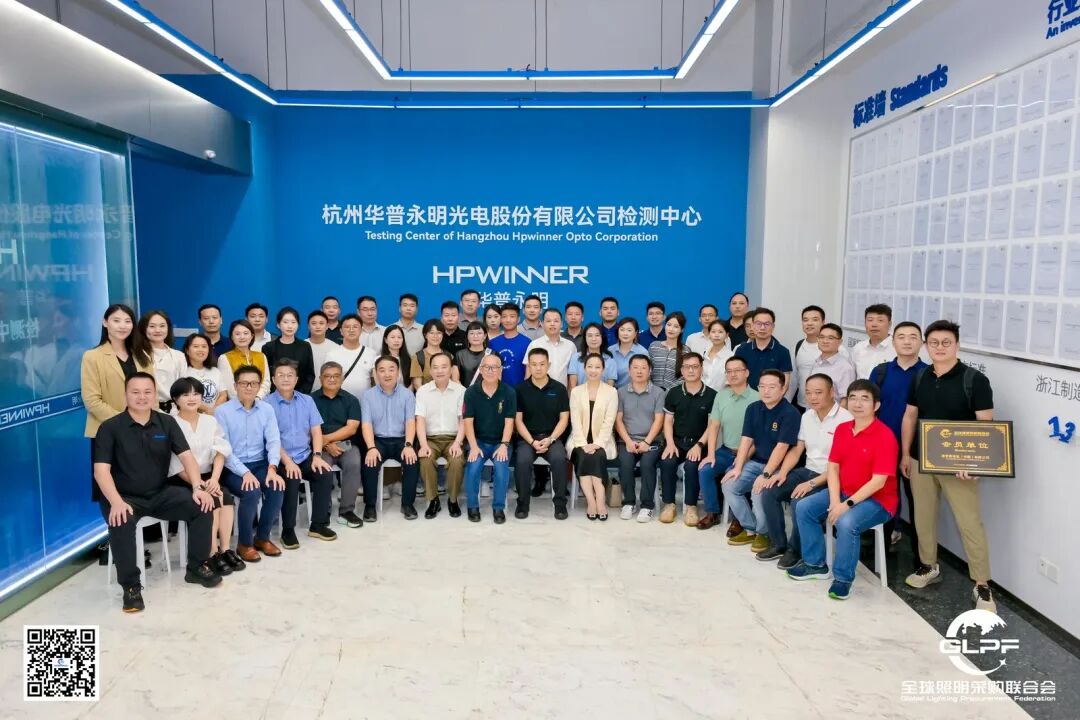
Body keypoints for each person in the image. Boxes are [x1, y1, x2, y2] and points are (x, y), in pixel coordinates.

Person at [94, 373, 220, 612]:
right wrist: (116, 502)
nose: (142, 397)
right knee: (121, 521)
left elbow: (187, 457)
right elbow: (101, 472)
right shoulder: (110, 427)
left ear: (154, 395)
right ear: (125, 395)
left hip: (160, 493)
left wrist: (197, 486)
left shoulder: (166, 423)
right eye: (135, 392)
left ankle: (196, 567)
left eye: (147, 392)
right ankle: (131, 587)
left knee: (204, 504)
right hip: (123, 497)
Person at [900, 320, 996, 611]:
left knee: (969, 523)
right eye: (934, 343)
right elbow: (910, 416)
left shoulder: (974, 380)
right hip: (920, 459)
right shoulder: (920, 377)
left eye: (946, 342)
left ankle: (982, 585)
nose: (939, 347)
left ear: (957, 345)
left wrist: (975, 464)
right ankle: (929, 566)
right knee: (923, 517)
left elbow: (986, 426)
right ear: (926, 346)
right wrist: (905, 454)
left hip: (958, 466)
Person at [789, 380, 898, 601]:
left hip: (877, 501)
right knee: (804, 507)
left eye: (864, 399)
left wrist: (844, 506)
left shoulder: (885, 436)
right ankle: (815, 564)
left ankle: (843, 578)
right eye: (853, 398)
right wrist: (834, 500)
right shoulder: (842, 429)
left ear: (876, 405)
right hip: (844, 492)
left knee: (847, 522)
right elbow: (833, 467)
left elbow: (878, 482)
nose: (858, 403)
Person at [756, 374, 853, 566]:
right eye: (808, 393)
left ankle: (796, 550)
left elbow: (843, 465)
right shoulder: (807, 416)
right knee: (769, 490)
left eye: (818, 392)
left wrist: (811, 484)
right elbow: (797, 449)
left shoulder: (846, 419)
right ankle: (778, 544)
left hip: (831, 477)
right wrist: (782, 473)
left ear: (831, 392)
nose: (812, 397)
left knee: (798, 501)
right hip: (807, 469)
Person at [168, 377, 245, 576]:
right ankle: (211, 553)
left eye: (196, 394)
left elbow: (220, 451)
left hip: (210, 476)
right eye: (185, 394)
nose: (192, 398)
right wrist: (198, 484)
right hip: (182, 477)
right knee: (211, 500)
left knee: (225, 497)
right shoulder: (170, 423)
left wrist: (214, 479)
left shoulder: (210, 421)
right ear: (175, 399)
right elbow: (174, 462)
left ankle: (225, 550)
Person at [721, 369, 801, 552]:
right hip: (755, 462)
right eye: (762, 386)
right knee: (729, 484)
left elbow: (782, 447)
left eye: (772, 387)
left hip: (778, 467)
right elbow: (746, 440)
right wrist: (738, 467)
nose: (766, 391)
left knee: (759, 492)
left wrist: (765, 475)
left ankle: (764, 533)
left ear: (783, 389)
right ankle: (751, 528)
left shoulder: (790, 413)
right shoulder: (753, 408)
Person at [82, 304, 154, 499]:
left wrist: (150, 424)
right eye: (116, 320)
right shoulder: (93, 357)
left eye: (127, 321)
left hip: (143, 431)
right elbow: (92, 400)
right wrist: (125, 424)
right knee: (111, 491)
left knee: (141, 486)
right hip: (108, 431)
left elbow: (151, 395)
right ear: (105, 323)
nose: (122, 326)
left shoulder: (143, 355)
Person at [215, 364, 285, 561]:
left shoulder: (267, 410)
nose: (249, 387)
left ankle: (262, 538)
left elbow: (274, 441)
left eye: (254, 383)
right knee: (251, 491)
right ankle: (244, 544)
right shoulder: (222, 412)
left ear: (259, 386)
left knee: (276, 486)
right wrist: (244, 473)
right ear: (235, 386)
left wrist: (272, 467)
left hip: (260, 463)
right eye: (244, 383)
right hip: (232, 467)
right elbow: (224, 449)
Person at [267, 359, 337, 549]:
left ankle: (318, 525)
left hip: (304, 455)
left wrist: (317, 456)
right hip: (280, 458)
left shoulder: (307, 400)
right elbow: (271, 439)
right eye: (281, 375)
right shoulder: (266, 404)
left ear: (296, 379)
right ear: (273, 379)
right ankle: (288, 530)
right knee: (292, 476)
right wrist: (288, 462)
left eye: (290, 375)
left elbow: (316, 431)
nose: (285, 379)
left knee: (324, 473)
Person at [871, 321, 928, 556]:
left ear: (921, 343)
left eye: (913, 337)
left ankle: (921, 556)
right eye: (901, 337)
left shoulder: (928, 373)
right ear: (893, 342)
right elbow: (869, 408)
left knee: (917, 501)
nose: (907, 341)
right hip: (882, 446)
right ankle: (881, 549)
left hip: (915, 449)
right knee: (882, 495)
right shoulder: (881, 372)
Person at [696, 356, 759, 531]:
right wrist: (710, 454)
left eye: (737, 370)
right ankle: (712, 512)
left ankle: (739, 519)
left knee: (736, 476)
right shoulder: (721, 396)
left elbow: (760, 436)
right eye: (729, 371)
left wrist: (744, 458)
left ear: (747, 373)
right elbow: (714, 426)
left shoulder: (758, 398)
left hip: (750, 453)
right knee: (705, 469)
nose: (733, 374)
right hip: (726, 450)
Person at [658, 352, 716, 525]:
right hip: (676, 441)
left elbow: (712, 426)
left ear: (701, 369)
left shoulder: (712, 395)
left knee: (692, 466)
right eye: (687, 367)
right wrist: (669, 443)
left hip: (699, 443)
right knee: (667, 462)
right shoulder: (674, 393)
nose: (691, 370)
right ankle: (669, 505)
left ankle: (691, 506)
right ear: (682, 370)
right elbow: (668, 421)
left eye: (695, 366)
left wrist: (699, 445)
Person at [514, 348, 571, 520]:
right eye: (534, 364)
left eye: (542, 364)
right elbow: (518, 421)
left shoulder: (559, 389)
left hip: (552, 437)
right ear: (529, 366)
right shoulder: (520, 389)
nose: (538, 368)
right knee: (522, 461)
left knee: (559, 459)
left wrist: (551, 439)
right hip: (527, 438)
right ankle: (522, 504)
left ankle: (560, 505)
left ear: (548, 365)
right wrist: (532, 442)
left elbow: (564, 419)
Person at [361, 356, 420, 521]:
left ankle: (407, 504)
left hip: (402, 440)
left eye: (391, 369)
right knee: (370, 462)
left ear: (398, 372)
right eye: (382, 370)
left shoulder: (408, 395)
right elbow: (366, 424)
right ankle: (370, 506)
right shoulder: (368, 396)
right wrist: (371, 447)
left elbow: (410, 422)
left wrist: (409, 445)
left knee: (412, 461)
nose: (387, 374)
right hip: (378, 441)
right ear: (376, 373)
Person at [463, 354, 517, 523]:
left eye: (495, 367)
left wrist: (504, 445)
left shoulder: (509, 392)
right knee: (472, 468)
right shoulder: (471, 392)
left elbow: (509, 423)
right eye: (487, 367)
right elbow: (468, 422)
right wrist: (473, 446)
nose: (491, 370)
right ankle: (472, 506)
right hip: (478, 441)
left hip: (501, 442)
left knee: (501, 469)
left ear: (500, 370)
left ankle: (498, 508)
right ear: (481, 369)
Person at [312, 361, 365, 528]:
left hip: (346, 444)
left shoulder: (351, 400)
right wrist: (324, 445)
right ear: (320, 379)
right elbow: (306, 428)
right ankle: (323, 510)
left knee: (354, 462)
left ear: (342, 378)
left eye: (336, 376)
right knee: (322, 467)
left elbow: (352, 428)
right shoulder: (310, 400)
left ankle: (347, 511)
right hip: (319, 446)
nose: (332, 379)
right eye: (327, 376)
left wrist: (326, 440)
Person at [567, 353, 619, 520]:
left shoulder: (611, 392)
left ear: (603, 370)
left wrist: (597, 444)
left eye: (597, 367)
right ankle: (591, 501)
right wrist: (583, 444)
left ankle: (601, 500)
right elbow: (575, 421)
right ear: (584, 369)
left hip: (602, 440)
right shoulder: (576, 392)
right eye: (590, 366)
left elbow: (609, 422)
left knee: (596, 456)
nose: (593, 370)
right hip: (579, 439)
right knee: (583, 456)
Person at [416, 353, 466, 519]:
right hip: (431, 439)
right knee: (425, 459)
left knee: (457, 460)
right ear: (430, 370)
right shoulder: (423, 391)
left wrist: (458, 443)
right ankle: (433, 500)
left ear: (451, 369)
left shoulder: (461, 391)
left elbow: (463, 420)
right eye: (435, 367)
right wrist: (423, 445)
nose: (440, 371)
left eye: (444, 367)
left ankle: (453, 500)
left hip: (453, 438)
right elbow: (420, 420)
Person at [615, 354, 665, 522]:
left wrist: (646, 441)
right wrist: (628, 441)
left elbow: (659, 420)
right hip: (627, 440)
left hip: (652, 441)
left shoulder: (658, 393)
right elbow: (618, 420)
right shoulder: (621, 392)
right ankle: (629, 503)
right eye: (635, 367)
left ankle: (647, 506)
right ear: (629, 371)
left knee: (647, 464)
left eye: (643, 368)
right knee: (625, 463)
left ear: (650, 371)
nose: (639, 371)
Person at [733, 307, 792, 390]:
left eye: (767, 324)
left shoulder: (783, 352)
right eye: (758, 324)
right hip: (745, 397)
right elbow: (735, 377)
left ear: (773, 326)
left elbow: (784, 384)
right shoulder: (741, 350)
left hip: (772, 397)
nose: (762, 328)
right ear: (753, 326)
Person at [262, 307, 315, 394]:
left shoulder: (305, 346)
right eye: (285, 322)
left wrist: (299, 394)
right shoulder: (268, 347)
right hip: (275, 396)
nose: (290, 326)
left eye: (293, 322)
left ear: (298, 325)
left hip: (299, 395)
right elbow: (266, 376)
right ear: (278, 325)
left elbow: (310, 375)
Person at [139, 310, 185, 408]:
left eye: (162, 326)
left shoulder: (179, 356)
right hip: (146, 408)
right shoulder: (137, 355)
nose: (158, 330)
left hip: (174, 410)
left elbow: (183, 388)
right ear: (144, 329)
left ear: (168, 328)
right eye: (152, 326)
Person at [217, 320, 271, 399]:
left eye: (246, 333)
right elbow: (230, 389)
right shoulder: (224, 358)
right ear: (232, 337)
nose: (242, 337)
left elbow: (266, 383)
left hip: (260, 401)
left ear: (252, 336)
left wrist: (257, 398)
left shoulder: (261, 356)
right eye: (237, 334)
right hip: (236, 403)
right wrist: (244, 402)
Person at [326, 314, 375, 399]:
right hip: (339, 402)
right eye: (347, 327)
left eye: (355, 327)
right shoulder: (332, 354)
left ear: (361, 330)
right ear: (341, 331)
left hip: (365, 402)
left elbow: (375, 382)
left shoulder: (371, 353)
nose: (351, 330)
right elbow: (327, 382)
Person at [524, 308, 576, 385]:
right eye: (548, 321)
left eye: (556, 321)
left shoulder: (570, 346)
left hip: (562, 391)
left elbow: (572, 374)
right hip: (538, 390)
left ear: (561, 324)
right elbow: (528, 372)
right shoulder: (534, 345)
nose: (552, 324)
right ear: (542, 324)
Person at [809, 323, 857, 406]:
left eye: (830, 338)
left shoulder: (845, 368)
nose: (825, 341)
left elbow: (845, 400)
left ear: (840, 342)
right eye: (822, 337)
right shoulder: (817, 362)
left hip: (832, 413)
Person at [181, 334, 229, 414]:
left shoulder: (215, 371)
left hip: (215, 416)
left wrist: (214, 410)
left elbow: (223, 395)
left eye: (204, 346)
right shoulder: (183, 372)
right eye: (196, 346)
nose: (201, 350)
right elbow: (183, 396)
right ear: (187, 350)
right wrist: (207, 410)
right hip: (192, 416)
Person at [789, 305, 825, 410]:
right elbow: (793, 379)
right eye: (805, 320)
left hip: (825, 407)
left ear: (823, 322)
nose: (809, 323)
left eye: (815, 319)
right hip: (801, 404)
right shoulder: (798, 346)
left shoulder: (835, 348)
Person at [488, 303, 531, 387]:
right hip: (497, 390)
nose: (508, 320)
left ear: (518, 319)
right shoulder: (492, 343)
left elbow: (529, 370)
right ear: (501, 319)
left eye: (512, 316)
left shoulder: (527, 343)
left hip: (520, 390)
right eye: (504, 317)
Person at [850, 303, 895, 379]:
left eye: (880, 320)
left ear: (889, 324)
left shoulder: (897, 348)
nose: (874, 324)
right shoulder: (858, 348)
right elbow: (851, 378)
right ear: (865, 323)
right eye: (870, 320)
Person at [567, 323, 617, 388]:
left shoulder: (610, 360)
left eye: (597, 335)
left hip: (603, 394)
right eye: (590, 336)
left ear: (602, 337)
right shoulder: (576, 358)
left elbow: (610, 388)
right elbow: (572, 386)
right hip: (579, 394)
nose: (593, 339)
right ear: (585, 338)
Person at [648, 311, 688, 390]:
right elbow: (647, 369)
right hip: (652, 392)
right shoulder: (654, 346)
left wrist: (669, 391)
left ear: (682, 330)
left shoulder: (685, 351)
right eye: (669, 325)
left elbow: (684, 376)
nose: (671, 329)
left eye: (676, 326)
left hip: (673, 394)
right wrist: (653, 390)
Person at [608, 318, 649, 389]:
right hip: (612, 391)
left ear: (635, 333)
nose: (625, 333)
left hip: (634, 392)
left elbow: (646, 377)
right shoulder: (610, 351)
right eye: (622, 330)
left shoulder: (642, 352)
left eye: (629, 330)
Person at [307, 310, 339, 393]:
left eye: (321, 323)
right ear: (308, 326)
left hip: (329, 392)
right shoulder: (302, 346)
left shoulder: (335, 348)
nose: (318, 326)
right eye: (314, 323)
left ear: (327, 326)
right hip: (305, 393)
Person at [411, 319, 446, 390]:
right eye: (431, 333)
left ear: (443, 335)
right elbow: (417, 385)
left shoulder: (449, 356)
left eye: (439, 333)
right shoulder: (418, 357)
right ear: (425, 335)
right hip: (425, 395)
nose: (435, 336)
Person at [701, 320, 734, 392]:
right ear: (709, 334)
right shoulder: (704, 354)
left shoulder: (731, 357)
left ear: (727, 335)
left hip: (720, 396)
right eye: (713, 332)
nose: (716, 335)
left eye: (720, 332)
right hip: (702, 395)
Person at [452, 321, 488, 386]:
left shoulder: (493, 354)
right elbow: (455, 379)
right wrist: (465, 391)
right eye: (472, 333)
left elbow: (497, 378)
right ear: (467, 336)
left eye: (479, 333)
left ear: (485, 336)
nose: (475, 336)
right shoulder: (459, 355)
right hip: (463, 391)